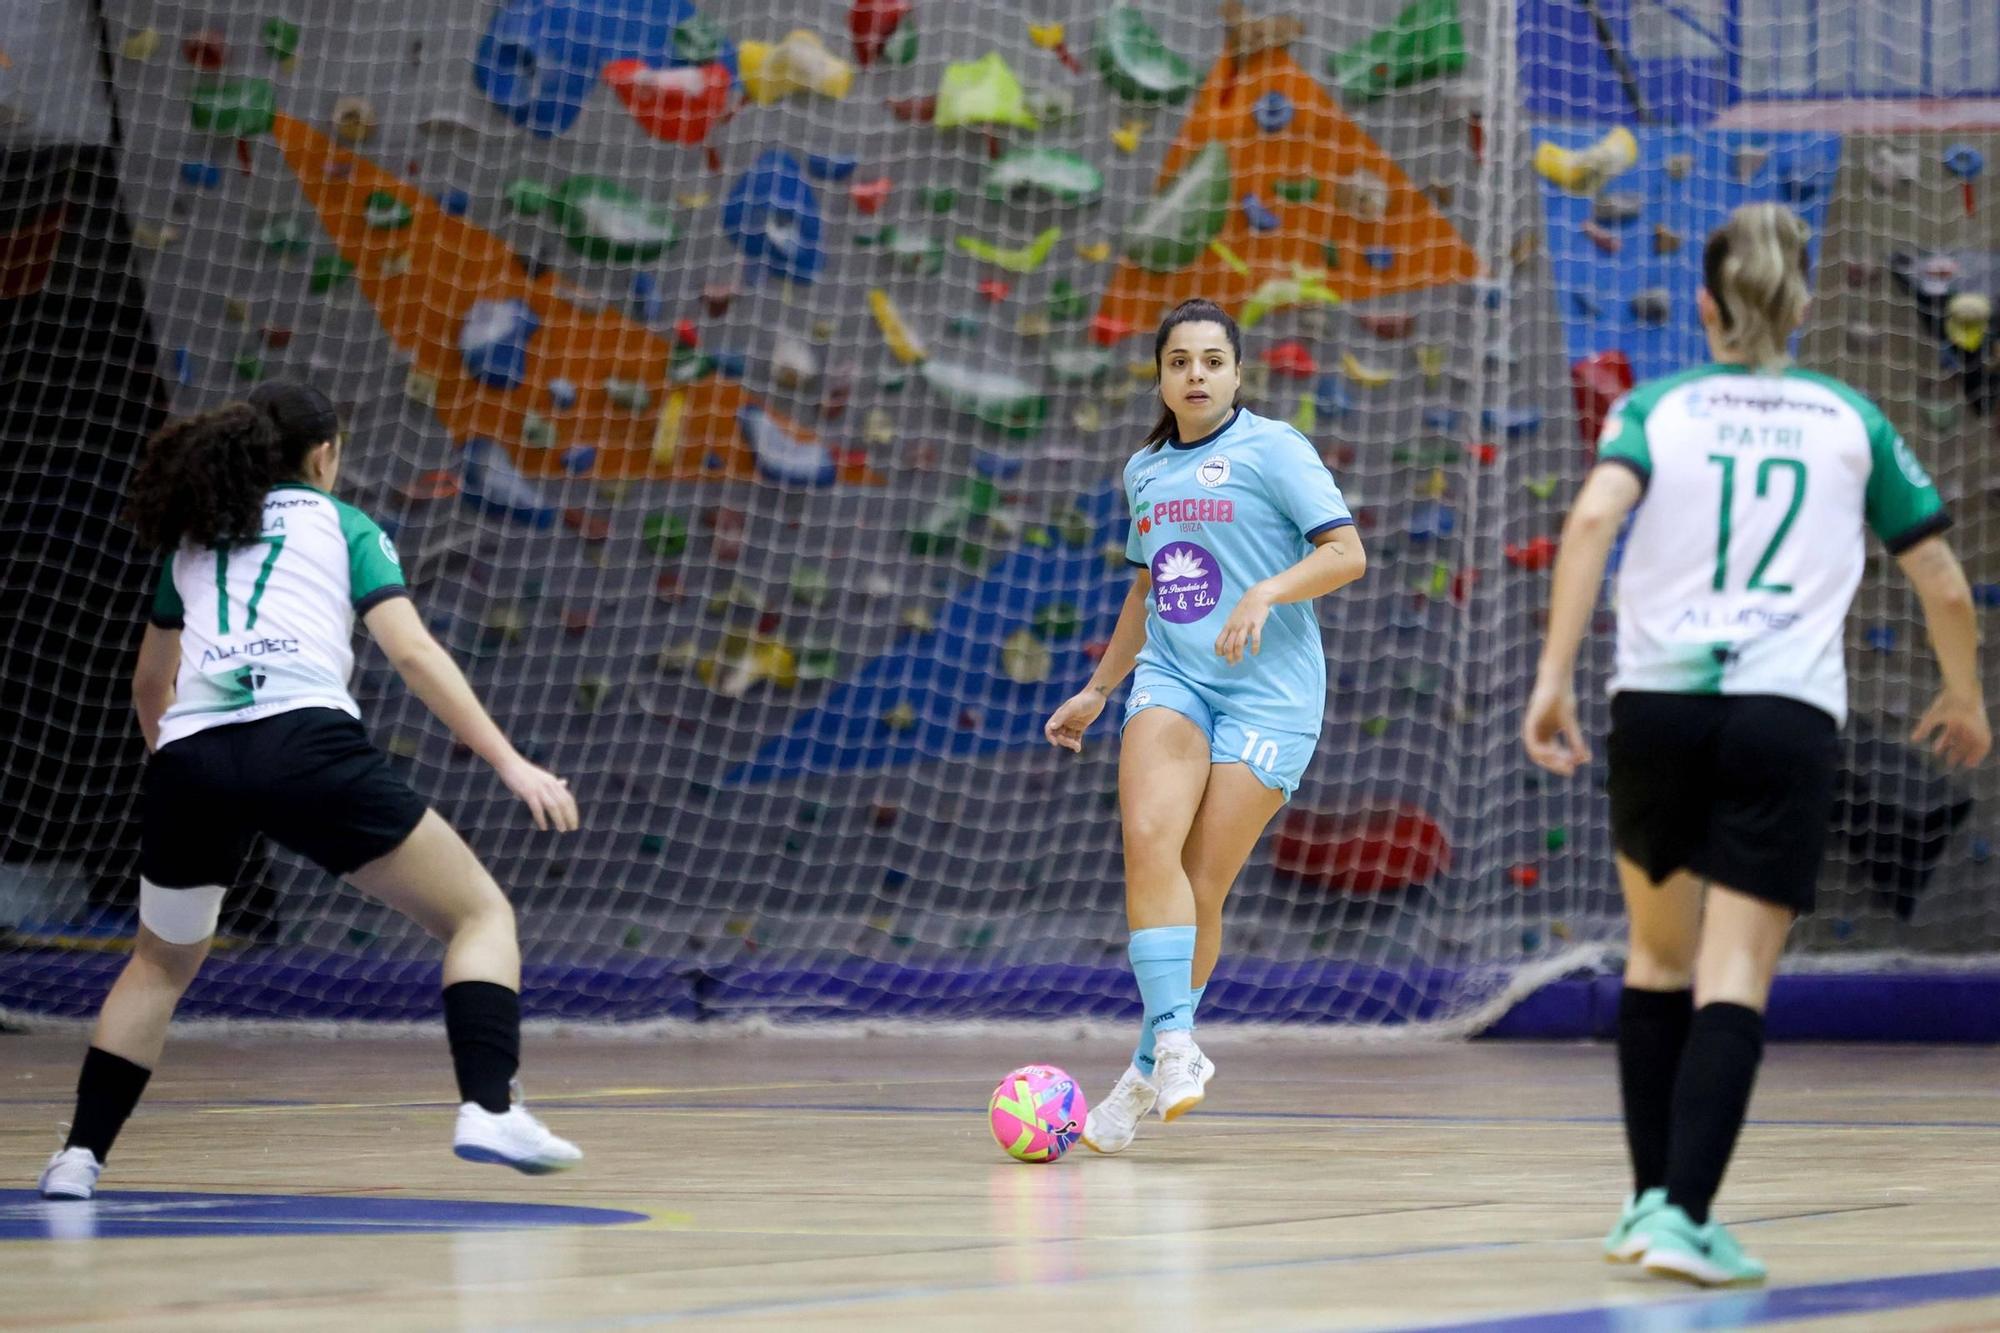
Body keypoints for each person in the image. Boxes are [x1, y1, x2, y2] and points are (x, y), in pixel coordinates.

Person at [1523, 203, 1989, 1285]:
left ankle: (1649, 1204)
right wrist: (1960, 694)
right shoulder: (1847, 418)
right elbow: (1942, 580)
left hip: (1655, 708)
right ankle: (1682, 1216)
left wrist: (1550, 679)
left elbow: (1590, 521)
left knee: (1655, 959)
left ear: (1702, 305)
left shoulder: (1655, 406)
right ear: (1805, 304)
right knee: (1732, 974)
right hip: (1782, 716)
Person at [38, 383, 585, 1201]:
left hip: (191, 758)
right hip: (305, 743)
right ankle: (488, 1105)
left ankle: (77, 1158)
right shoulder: (345, 523)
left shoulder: (194, 538)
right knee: (479, 914)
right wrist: (511, 761)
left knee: (157, 964)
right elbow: (413, 653)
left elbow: (151, 681)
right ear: (325, 453)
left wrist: (184, 765)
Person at [1044, 298, 1366, 1153]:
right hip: (1175, 676)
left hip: (1270, 697)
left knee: (1201, 877)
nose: (1196, 374)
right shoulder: (1143, 470)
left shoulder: (1274, 449)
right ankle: (1182, 1042)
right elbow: (1151, 590)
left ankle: (1146, 1069)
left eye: (1212, 361)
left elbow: (1346, 553)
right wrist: (1099, 688)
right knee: (1149, 839)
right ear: (1159, 375)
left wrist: (1264, 592)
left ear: (1236, 373)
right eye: (1180, 360)